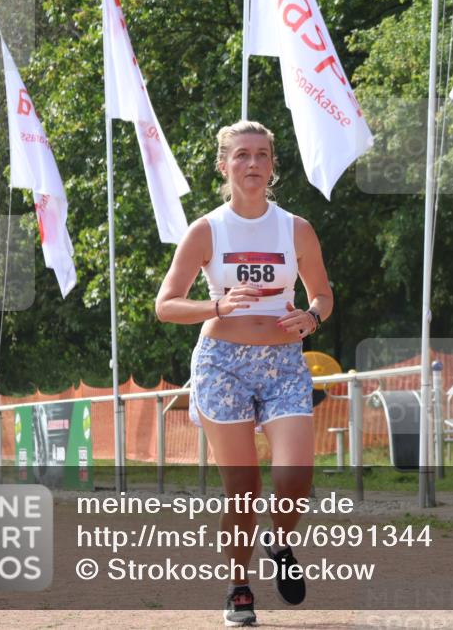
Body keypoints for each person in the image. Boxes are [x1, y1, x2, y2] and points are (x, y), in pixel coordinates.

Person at [155, 120, 332, 627]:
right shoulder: (207, 230)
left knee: (294, 475)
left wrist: (312, 316)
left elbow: (322, 293)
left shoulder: (295, 228)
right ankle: (238, 586)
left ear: (273, 165)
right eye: (241, 156)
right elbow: (166, 305)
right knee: (244, 487)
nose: (252, 164)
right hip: (222, 363)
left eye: (261, 155)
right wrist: (217, 305)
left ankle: (279, 543)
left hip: (282, 363)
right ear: (224, 165)